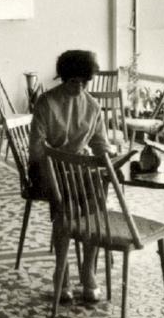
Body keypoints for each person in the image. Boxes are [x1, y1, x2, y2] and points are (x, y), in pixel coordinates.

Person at [28, 50, 116, 304]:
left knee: (95, 208)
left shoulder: (92, 105)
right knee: (66, 209)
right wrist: (63, 160)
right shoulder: (46, 103)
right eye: (74, 82)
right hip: (47, 168)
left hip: (77, 170)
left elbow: (100, 143)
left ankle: (88, 271)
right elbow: (37, 150)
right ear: (63, 78)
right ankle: (62, 271)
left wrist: (109, 159)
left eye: (84, 82)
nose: (79, 87)